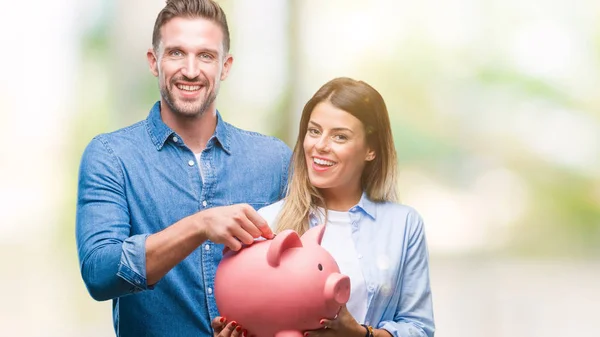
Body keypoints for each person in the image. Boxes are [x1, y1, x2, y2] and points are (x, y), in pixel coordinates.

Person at [75, 0, 291, 336]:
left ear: (225, 66)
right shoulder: (111, 156)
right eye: (176, 53)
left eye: (206, 55)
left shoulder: (274, 160)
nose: (190, 70)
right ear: (154, 61)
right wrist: (200, 225)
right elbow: (100, 275)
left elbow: (298, 275)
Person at [212, 77, 435, 337]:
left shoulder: (403, 225)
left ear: (370, 150)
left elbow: (419, 329)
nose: (320, 146)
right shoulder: (268, 223)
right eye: (314, 131)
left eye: (340, 136)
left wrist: (361, 334)